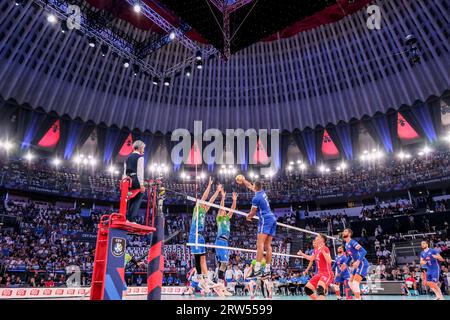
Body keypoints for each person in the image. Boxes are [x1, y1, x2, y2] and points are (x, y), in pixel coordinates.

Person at [188, 177, 222, 293]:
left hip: (201, 236)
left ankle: (206, 280)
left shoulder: (204, 209)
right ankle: (200, 280)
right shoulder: (197, 209)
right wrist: (209, 185)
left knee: (203, 258)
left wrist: (217, 192)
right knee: (198, 258)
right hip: (194, 235)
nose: (204, 203)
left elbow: (211, 201)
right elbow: (205, 197)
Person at [239, 178, 277, 277]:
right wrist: (243, 181)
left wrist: (248, 217)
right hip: (272, 218)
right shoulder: (262, 192)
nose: (252, 187)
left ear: (255, 187)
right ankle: (267, 270)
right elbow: (250, 186)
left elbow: (252, 212)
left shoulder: (256, 198)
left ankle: (257, 269)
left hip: (265, 219)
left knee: (259, 244)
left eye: (253, 186)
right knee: (268, 245)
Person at [215, 190, 237, 296]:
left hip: (225, 242)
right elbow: (221, 208)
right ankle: (219, 286)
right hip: (220, 241)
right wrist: (223, 198)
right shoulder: (219, 218)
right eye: (223, 211)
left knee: (223, 264)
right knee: (223, 263)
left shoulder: (227, 218)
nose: (224, 211)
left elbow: (232, 210)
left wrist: (234, 200)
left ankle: (221, 286)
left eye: (225, 211)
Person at [298, 234, 333, 300]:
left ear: (321, 239)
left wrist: (322, 250)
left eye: (317, 237)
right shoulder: (316, 250)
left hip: (327, 273)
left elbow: (329, 261)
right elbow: (311, 258)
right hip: (319, 274)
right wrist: (302, 254)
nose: (316, 238)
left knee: (320, 289)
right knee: (307, 289)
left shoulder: (325, 248)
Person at [342, 228, 369, 300]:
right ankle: (359, 297)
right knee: (350, 283)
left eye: (345, 231)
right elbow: (350, 257)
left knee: (355, 283)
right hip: (357, 265)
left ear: (349, 234)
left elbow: (364, 251)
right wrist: (345, 263)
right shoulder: (346, 245)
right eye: (343, 231)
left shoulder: (352, 242)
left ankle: (358, 298)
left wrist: (358, 261)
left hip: (362, 263)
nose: (343, 232)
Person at [123, 140, 146, 222]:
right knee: (137, 199)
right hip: (136, 180)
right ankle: (132, 219)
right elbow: (140, 172)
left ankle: (128, 219)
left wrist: (124, 182)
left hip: (128, 181)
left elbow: (125, 171)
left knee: (130, 199)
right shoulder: (140, 157)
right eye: (143, 148)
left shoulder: (128, 157)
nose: (143, 150)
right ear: (140, 148)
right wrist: (142, 185)